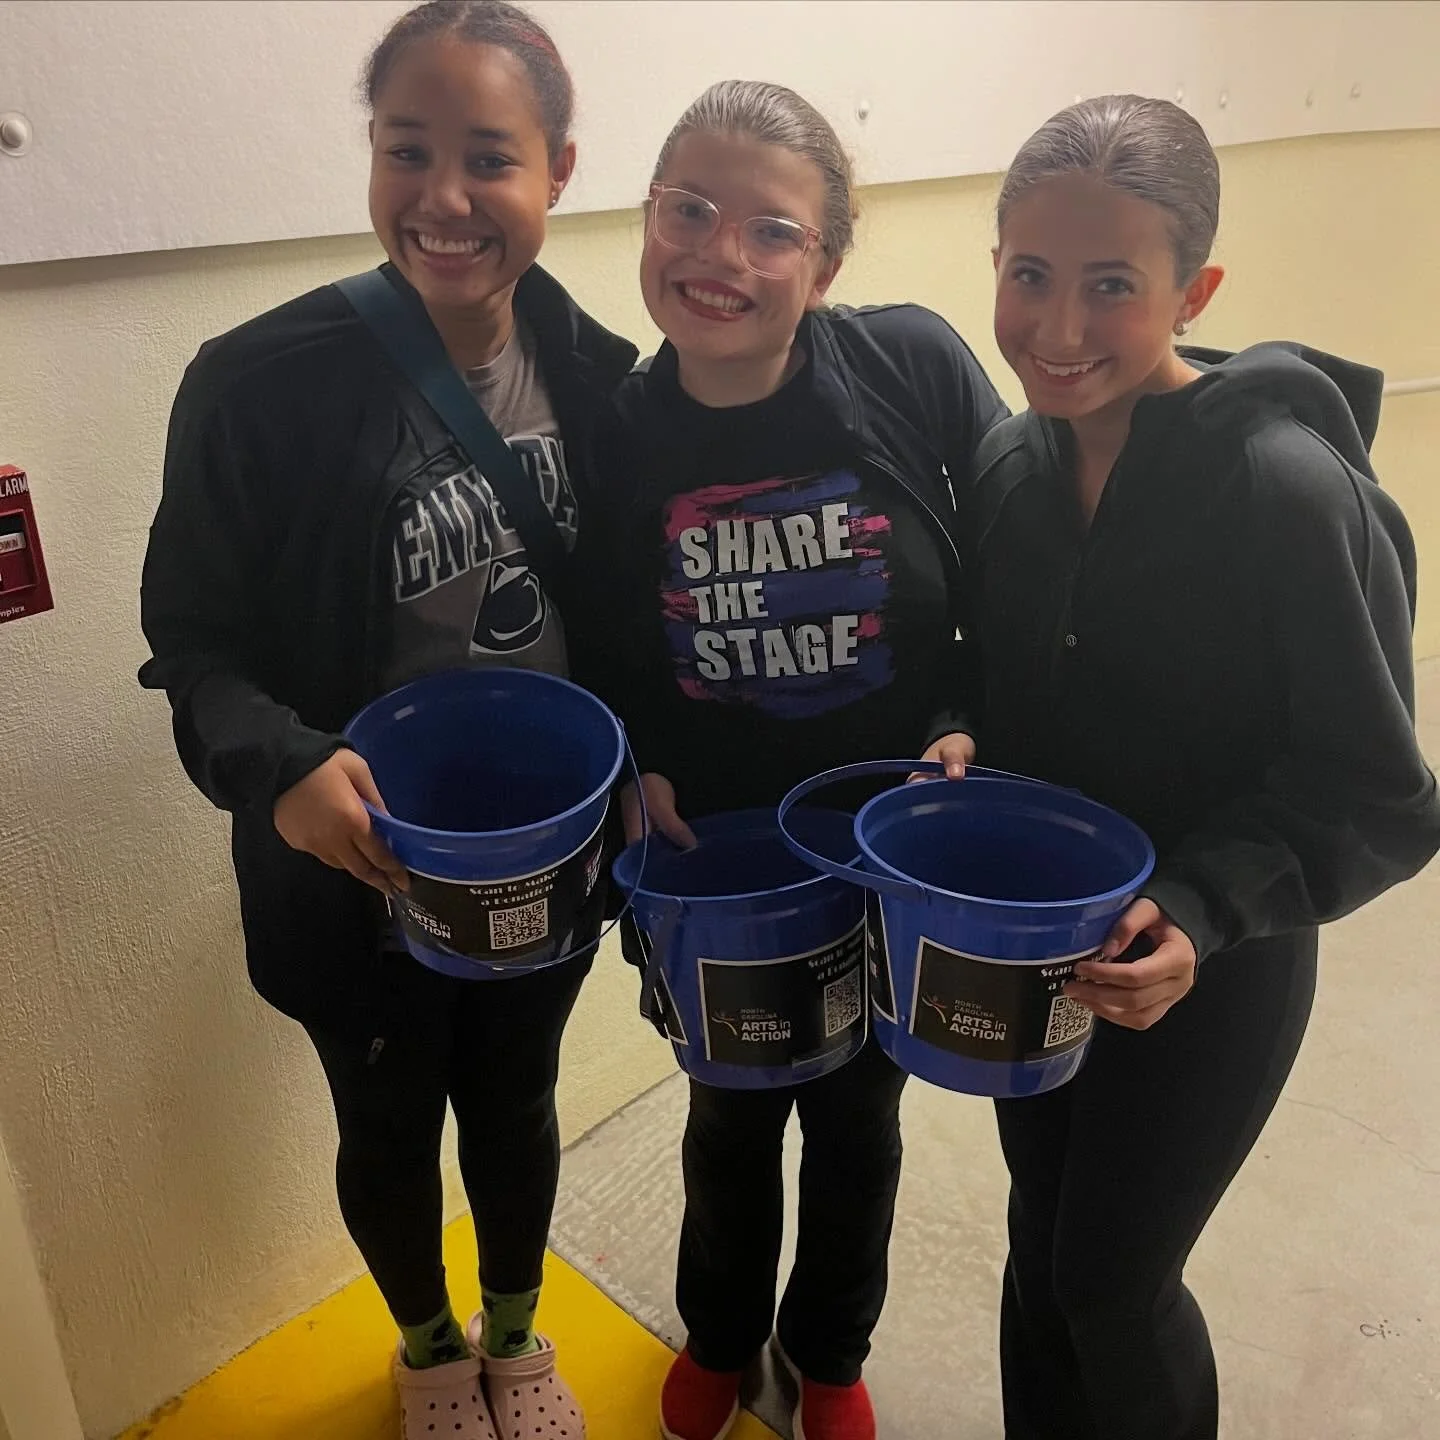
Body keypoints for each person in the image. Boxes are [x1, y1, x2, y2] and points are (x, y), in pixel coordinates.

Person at [138, 4, 636, 1437]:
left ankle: (520, 1336)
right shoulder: (255, 384)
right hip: (350, 876)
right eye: (406, 151)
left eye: (491, 156)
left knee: (519, 1102)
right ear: (371, 159)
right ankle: (428, 1351)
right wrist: (283, 770)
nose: (445, 197)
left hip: (544, 858)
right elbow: (197, 648)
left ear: (557, 170)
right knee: (388, 1120)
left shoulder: (602, 378)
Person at [972, 93, 1440, 1440]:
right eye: (1031, 277)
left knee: (1115, 1286)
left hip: (1211, 974)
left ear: (1195, 291)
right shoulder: (1008, 467)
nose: (1058, 331)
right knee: (1041, 1248)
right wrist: (956, 746)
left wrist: (1209, 904)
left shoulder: (1286, 492)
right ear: (994, 262)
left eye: (1111, 286)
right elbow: (1004, 701)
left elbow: (1379, 794)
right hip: (1042, 956)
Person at [573, 80, 1007, 1440]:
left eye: (772, 231)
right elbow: (592, 641)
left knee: (859, 1123)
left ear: (825, 263)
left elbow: (1011, 559)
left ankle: (829, 1354)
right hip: (720, 860)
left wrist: (971, 715)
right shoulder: (611, 428)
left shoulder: (913, 368)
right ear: (645, 216)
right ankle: (717, 1336)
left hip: (887, 840)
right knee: (732, 1111)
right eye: (688, 211)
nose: (720, 258)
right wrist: (631, 763)